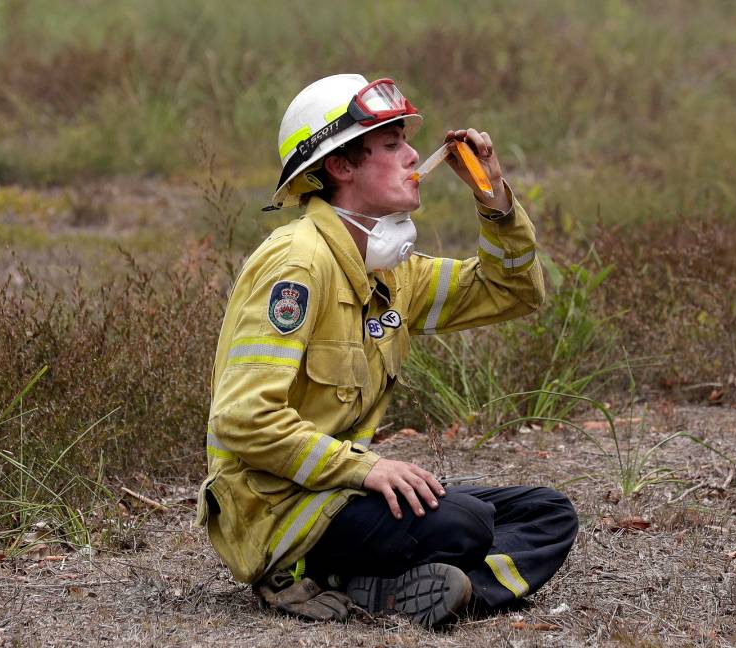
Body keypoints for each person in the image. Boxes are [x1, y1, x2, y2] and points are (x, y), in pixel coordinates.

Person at [194, 74, 578, 628]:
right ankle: (306, 575)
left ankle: (422, 591)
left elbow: (513, 292)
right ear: (340, 166)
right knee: (466, 524)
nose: (414, 155)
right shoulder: (297, 264)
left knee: (547, 512)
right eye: (392, 144)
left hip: (341, 490)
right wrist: (366, 468)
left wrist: (493, 199)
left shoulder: (391, 272)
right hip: (280, 511)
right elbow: (242, 419)